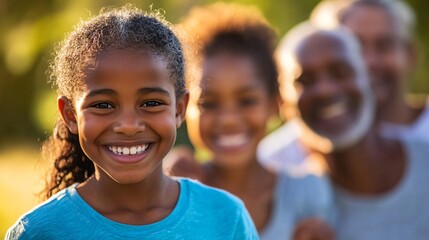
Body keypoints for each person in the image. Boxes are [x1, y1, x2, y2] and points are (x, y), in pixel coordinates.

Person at [5, 6, 258, 239]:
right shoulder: (40, 232)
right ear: (70, 115)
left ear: (180, 108)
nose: (128, 125)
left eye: (150, 103)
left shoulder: (225, 218)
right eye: (103, 105)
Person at [164, 3, 334, 240]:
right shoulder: (172, 192)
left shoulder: (306, 194)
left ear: (276, 102)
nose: (229, 120)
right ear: (182, 108)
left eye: (247, 101)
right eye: (209, 104)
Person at [279, 21, 429, 239]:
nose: (325, 90)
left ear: (369, 78)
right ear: (282, 102)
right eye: (305, 81)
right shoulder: (287, 207)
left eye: (341, 72)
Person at [258, 0, 429, 174]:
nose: (369, 62)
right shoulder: (275, 163)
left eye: (384, 46)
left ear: (411, 55)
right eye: (354, 45)